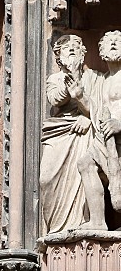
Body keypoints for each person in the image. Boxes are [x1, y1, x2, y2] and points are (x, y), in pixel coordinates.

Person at [41, 35, 94, 233]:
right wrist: (70, 80)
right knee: (46, 180)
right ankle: (55, 230)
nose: (71, 50)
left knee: (83, 179)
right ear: (58, 57)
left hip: (84, 133)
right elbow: (55, 99)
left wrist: (89, 117)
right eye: (66, 48)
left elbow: (102, 107)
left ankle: (80, 225)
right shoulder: (54, 79)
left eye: (76, 47)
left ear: (83, 54)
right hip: (59, 131)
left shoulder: (93, 77)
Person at [76, 31, 121, 229]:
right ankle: (97, 221)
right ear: (101, 51)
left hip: (119, 136)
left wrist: (120, 124)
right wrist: (80, 96)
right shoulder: (102, 80)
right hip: (104, 138)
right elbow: (94, 108)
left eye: (118, 42)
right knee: (85, 163)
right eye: (109, 42)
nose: (113, 44)